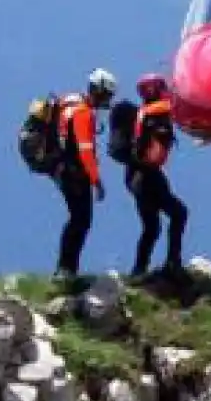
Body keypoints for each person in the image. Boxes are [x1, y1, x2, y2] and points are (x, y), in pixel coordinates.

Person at [48, 67, 116, 286]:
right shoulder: (83, 113)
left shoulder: (70, 102)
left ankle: (67, 269)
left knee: (77, 219)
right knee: (80, 220)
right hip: (75, 174)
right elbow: (85, 151)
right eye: (107, 95)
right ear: (99, 92)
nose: (108, 101)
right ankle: (66, 269)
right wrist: (96, 180)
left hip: (62, 170)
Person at [123, 73, 189, 280]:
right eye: (161, 87)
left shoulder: (146, 112)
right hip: (146, 175)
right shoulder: (155, 110)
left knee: (152, 227)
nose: (165, 90)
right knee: (178, 213)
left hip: (138, 175)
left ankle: (139, 270)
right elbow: (174, 106)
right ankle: (172, 263)